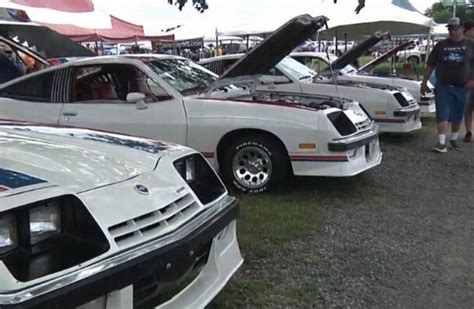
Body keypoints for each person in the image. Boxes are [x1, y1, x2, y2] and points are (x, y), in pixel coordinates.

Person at [421, 17, 474, 152]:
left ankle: (454, 138)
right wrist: (424, 82)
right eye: (450, 28)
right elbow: (430, 64)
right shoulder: (441, 45)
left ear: (462, 28)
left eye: (454, 28)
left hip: (463, 86)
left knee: (458, 114)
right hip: (443, 85)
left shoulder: (470, 45)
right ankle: (441, 142)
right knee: (442, 113)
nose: (452, 31)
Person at [463, 20, 474, 142]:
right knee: (467, 109)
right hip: (466, 81)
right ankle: (468, 132)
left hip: (468, 81)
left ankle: (468, 132)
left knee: (468, 109)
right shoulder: (465, 44)